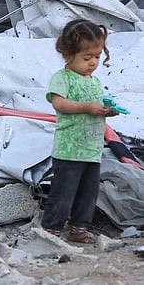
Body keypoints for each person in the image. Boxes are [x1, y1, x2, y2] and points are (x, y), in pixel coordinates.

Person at [40, 18, 118, 244]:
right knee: (64, 191)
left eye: (97, 57)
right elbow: (59, 104)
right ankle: (51, 229)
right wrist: (87, 107)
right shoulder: (63, 78)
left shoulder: (93, 81)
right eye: (87, 58)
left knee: (88, 193)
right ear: (67, 54)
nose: (93, 62)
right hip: (69, 149)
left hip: (91, 149)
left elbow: (96, 105)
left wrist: (107, 111)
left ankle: (79, 228)